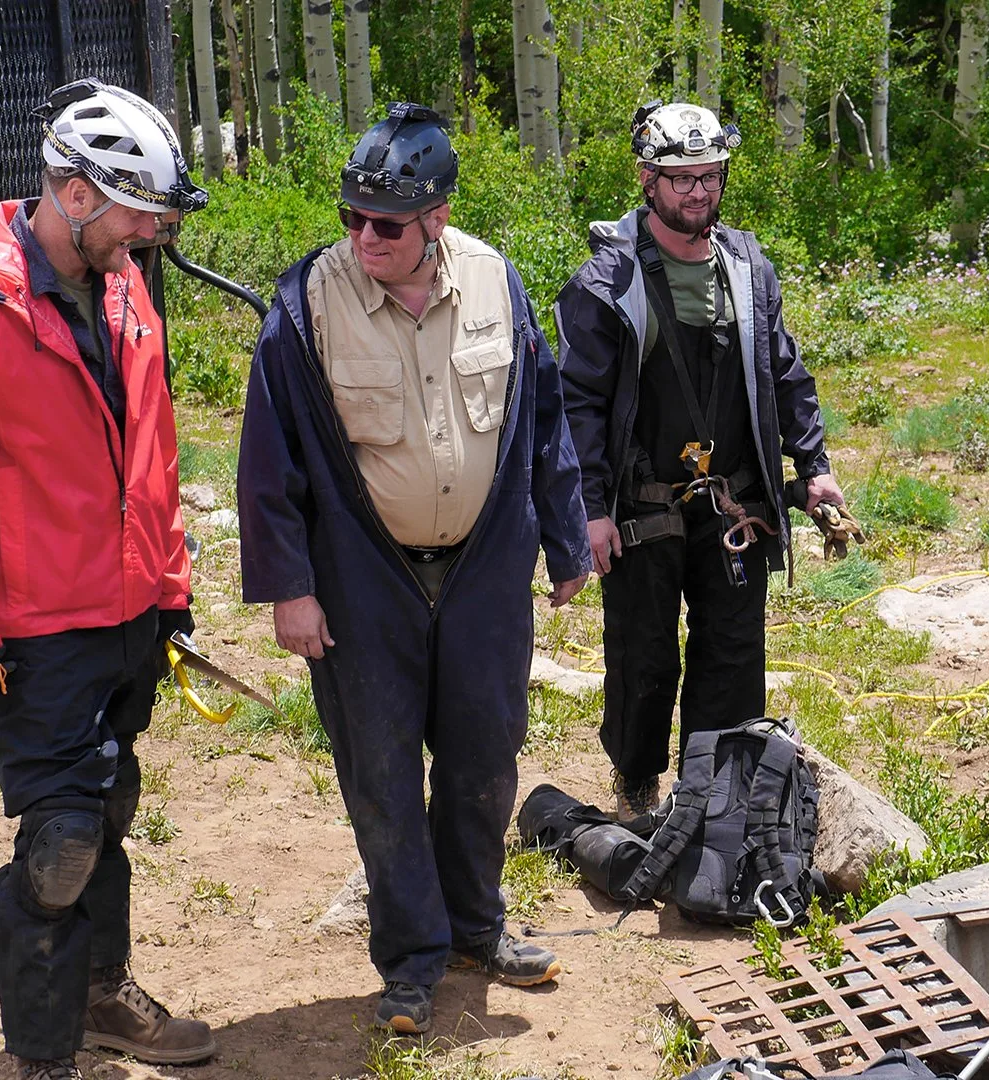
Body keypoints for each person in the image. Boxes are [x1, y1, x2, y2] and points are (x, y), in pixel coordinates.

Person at [0, 80, 214, 1080]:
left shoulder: (125, 291)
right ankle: (37, 1050)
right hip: (34, 627)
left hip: (125, 614)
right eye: (136, 211)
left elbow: (149, 461)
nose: (150, 232)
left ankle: (102, 993)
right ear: (74, 193)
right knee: (61, 841)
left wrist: (170, 588)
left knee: (107, 807)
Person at [236, 103, 591, 1036]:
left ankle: (477, 928)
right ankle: (411, 960)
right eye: (352, 217)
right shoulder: (306, 302)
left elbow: (542, 419)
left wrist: (563, 539)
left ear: (436, 218)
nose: (363, 238)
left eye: (385, 224)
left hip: (482, 570)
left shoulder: (495, 281)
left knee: (484, 758)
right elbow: (266, 458)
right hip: (362, 578)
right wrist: (290, 588)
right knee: (383, 777)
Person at [556, 101, 843, 820]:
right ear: (649, 181)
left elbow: (785, 375)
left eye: (709, 176)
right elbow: (578, 408)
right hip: (643, 507)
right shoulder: (605, 283)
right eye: (681, 178)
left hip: (735, 504)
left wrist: (814, 468)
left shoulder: (748, 267)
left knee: (734, 653)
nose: (698, 192)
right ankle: (638, 782)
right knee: (643, 659)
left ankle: (719, 794)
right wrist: (588, 511)